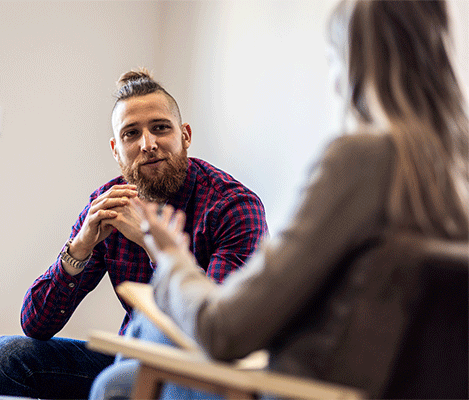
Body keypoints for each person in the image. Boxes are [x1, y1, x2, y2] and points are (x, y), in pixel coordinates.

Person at [90, 0, 469, 399]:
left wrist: (168, 256)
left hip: (295, 388)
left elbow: (225, 331)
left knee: (116, 380)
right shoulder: (451, 174)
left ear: (353, 65)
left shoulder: (363, 160)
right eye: (132, 134)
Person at [0, 69, 268, 399]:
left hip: (203, 370)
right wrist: (80, 248)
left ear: (185, 135)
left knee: (122, 379)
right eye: (131, 134)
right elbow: (36, 324)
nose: (148, 144)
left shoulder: (232, 205)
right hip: (130, 358)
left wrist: (150, 243)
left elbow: (217, 330)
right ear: (116, 150)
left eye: (160, 128)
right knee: (7, 357)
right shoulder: (108, 205)